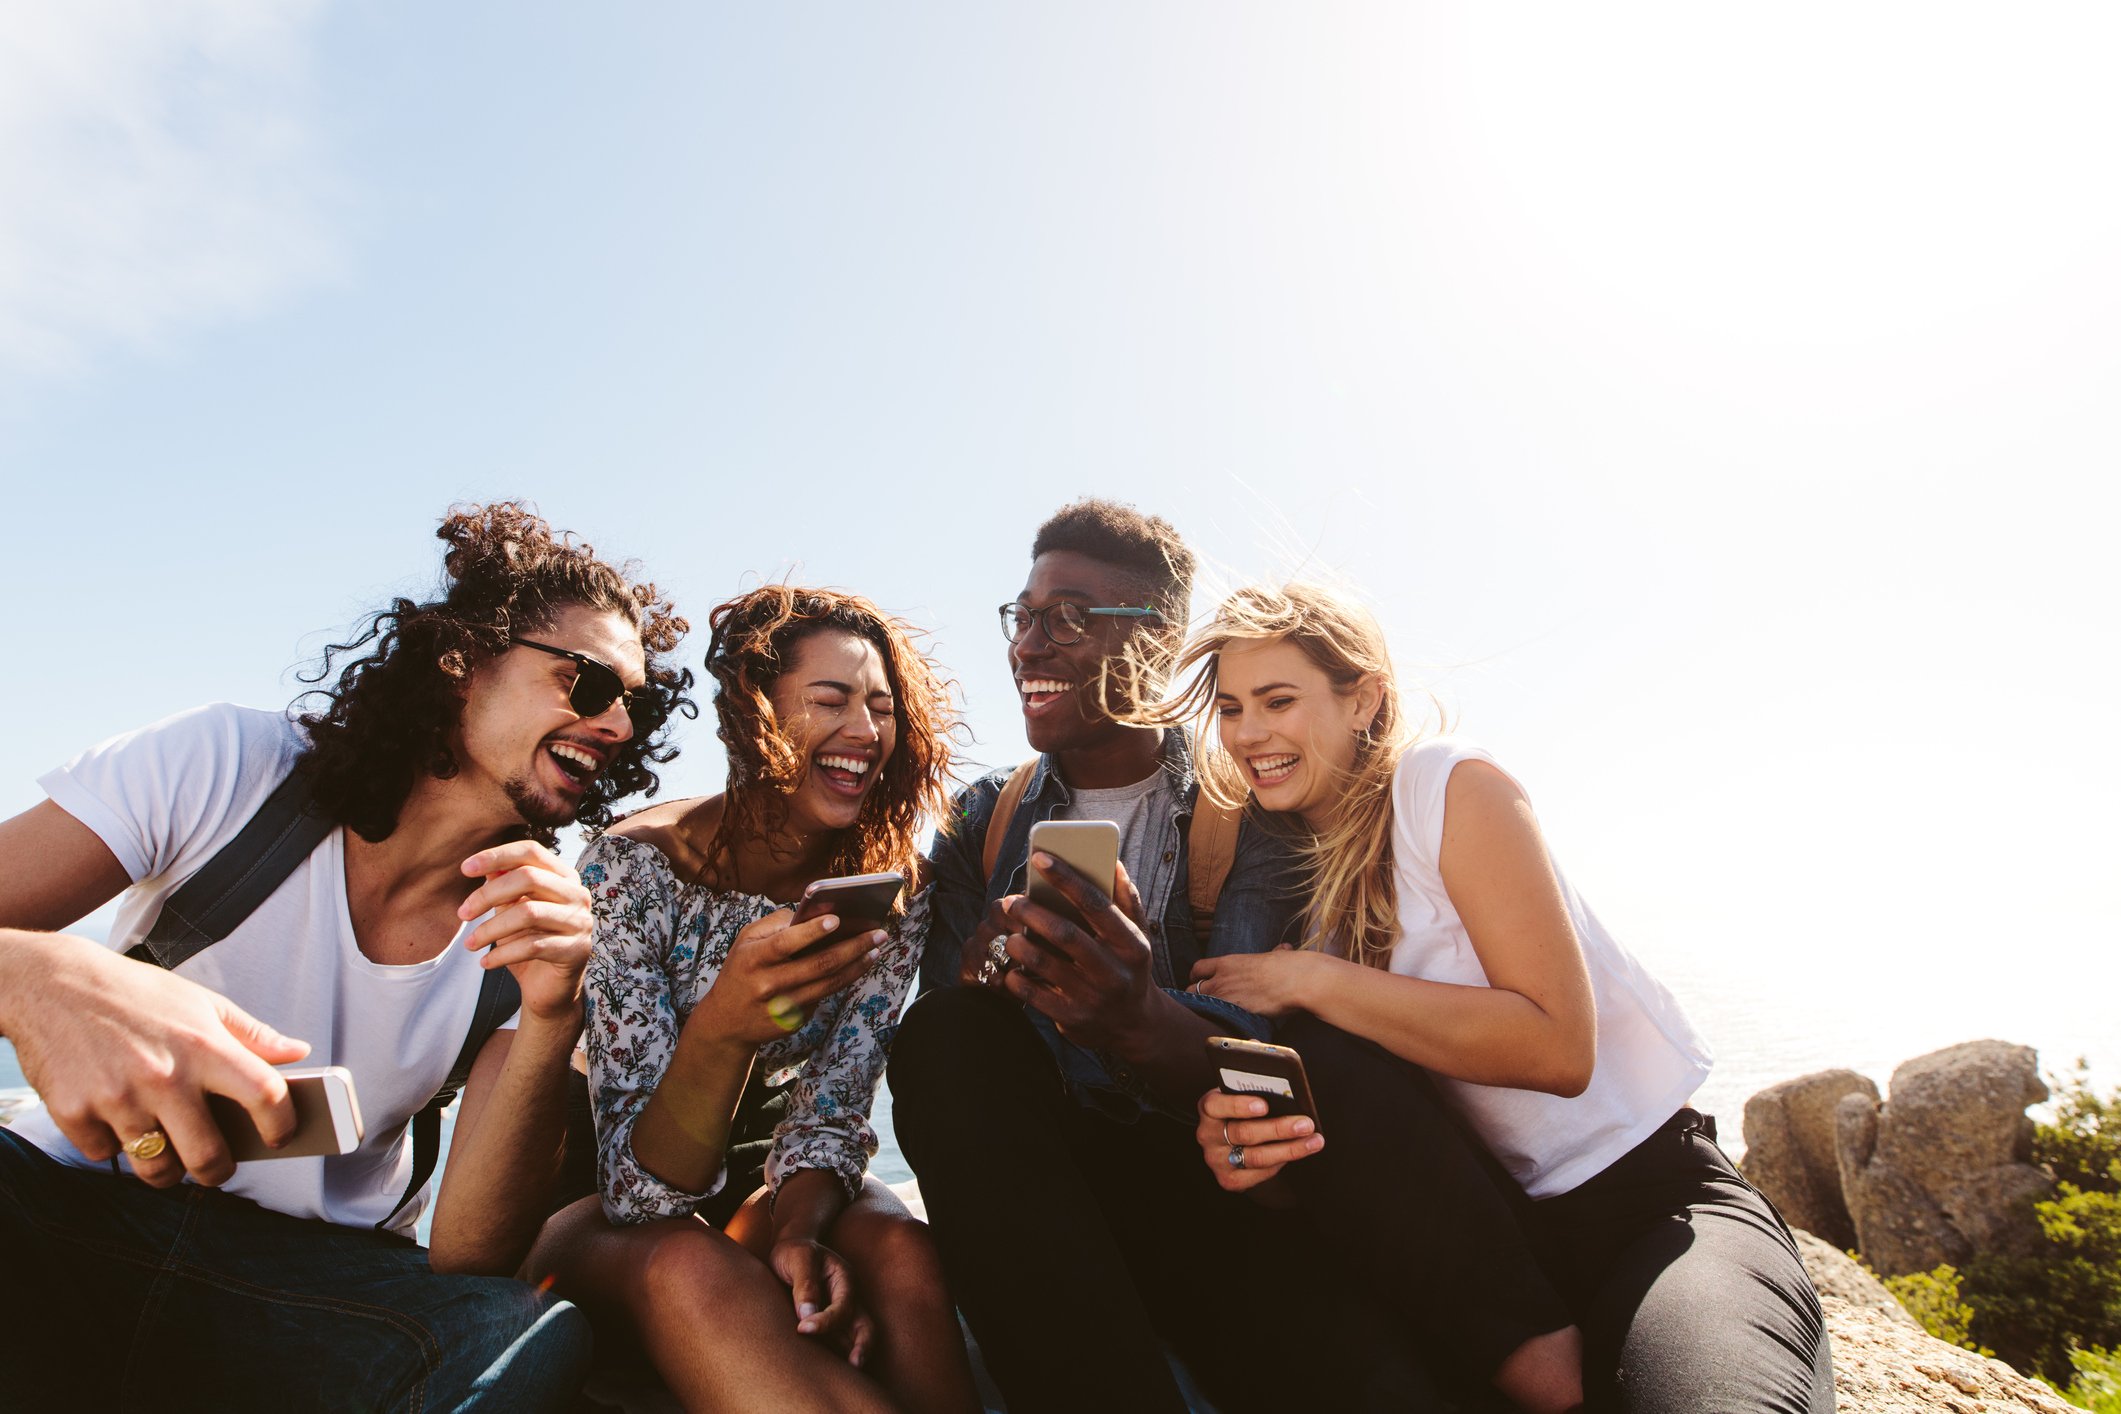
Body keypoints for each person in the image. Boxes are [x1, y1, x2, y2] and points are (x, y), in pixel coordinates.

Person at [889, 500, 1583, 1414]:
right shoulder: (987, 817)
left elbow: (1254, 1036)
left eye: (1069, 617)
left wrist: (1133, 1011)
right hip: (1042, 1186)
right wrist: (988, 969)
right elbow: (950, 1037)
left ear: (1159, 640)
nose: (1029, 645)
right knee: (943, 1035)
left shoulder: (1247, 804)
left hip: (1215, 1178)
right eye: (1024, 617)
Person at [0, 502, 692, 1411]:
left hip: (312, 1282)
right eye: (589, 684)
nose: (615, 725)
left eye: (636, 707)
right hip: (70, 1207)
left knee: (515, 1335)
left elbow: (470, 1254)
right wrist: (42, 974)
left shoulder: (538, 926)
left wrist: (556, 1013)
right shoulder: (231, 767)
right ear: (462, 662)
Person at [1177, 583, 1835, 1413]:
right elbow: (1365, 1140)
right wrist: (1250, 1157)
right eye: (1231, 708)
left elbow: (1557, 1049)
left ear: (1364, 699)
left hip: (1653, 1205)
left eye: (1277, 700)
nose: (1248, 733)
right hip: (1492, 1254)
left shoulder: (1445, 785)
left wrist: (1315, 980)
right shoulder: (1303, 904)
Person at [527, 585, 981, 1414]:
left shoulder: (889, 893)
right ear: (752, 712)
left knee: (899, 1250)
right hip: (596, 1208)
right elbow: (643, 1199)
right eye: (831, 700)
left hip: (762, 1191)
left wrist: (802, 1235)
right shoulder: (632, 870)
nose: (865, 732)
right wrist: (726, 1028)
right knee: (690, 1261)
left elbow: (831, 1111)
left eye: (882, 707)